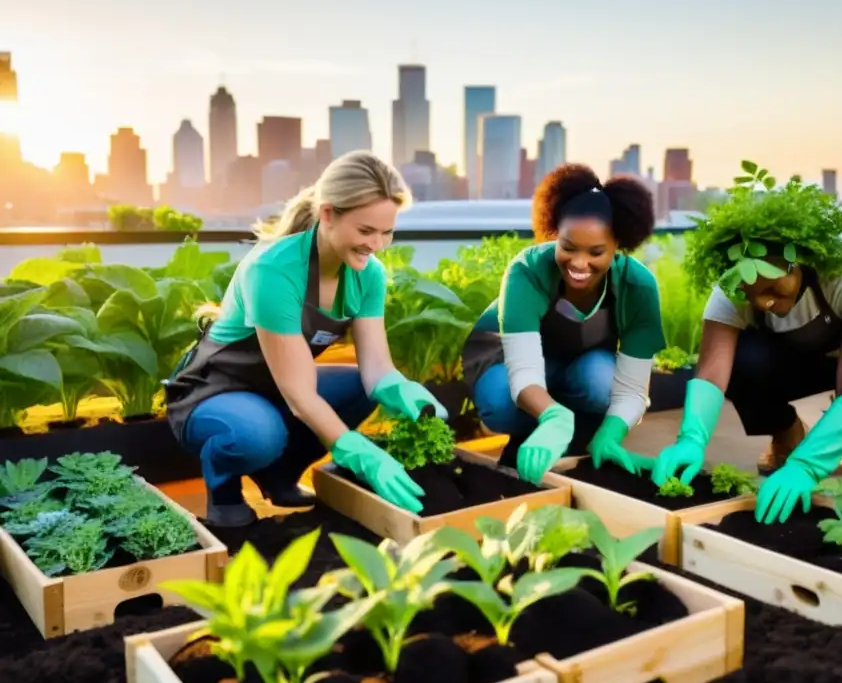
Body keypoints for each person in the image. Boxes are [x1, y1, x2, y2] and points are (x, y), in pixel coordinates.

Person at [164, 151, 448, 527]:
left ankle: (279, 476)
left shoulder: (368, 275)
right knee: (257, 434)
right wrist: (356, 451)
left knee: (362, 389)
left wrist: (400, 390)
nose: (377, 244)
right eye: (365, 231)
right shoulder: (274, 270)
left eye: (387, 232)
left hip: (275, 389)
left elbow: (376, 369)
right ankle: (224, 491)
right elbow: (300, 395)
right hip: (212, 393)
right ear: (328, 214)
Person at [650, 163, 842, 525]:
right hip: (799, 357)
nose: (762, 302)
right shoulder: (735, 281)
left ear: (798, 259)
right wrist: (692, 439)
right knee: (742, 362)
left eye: (771, 288)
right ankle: (786, 432)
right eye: (752, 295)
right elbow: (712, 371)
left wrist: (807, 468)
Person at [461, 163, 666, 484]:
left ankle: (566, 441)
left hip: (581, 365)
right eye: (568, 247)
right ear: (555, 232)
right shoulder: (527, 271)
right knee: (502, 401)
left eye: (596, 252)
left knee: (602, 383)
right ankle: (544, 429)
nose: (579, 263)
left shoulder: (637, 287)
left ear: (618, 246)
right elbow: (523, 371)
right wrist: (554, 415)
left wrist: (610, 435)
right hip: (505, 363)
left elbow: (632, 391)